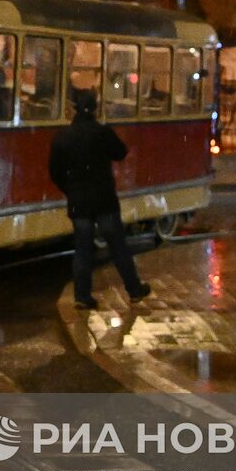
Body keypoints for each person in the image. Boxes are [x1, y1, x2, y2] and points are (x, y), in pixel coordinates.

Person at [48, 90, 152, 309]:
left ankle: (82, 296)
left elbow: (54, 171)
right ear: (95, 109)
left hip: (79, 202)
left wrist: (70, 189)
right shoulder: (101, 132)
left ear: (75, 110)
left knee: (83, 249)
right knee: (117, 246)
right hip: (104, 199)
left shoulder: (63, 136)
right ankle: (134, 290)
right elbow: (121, 152)